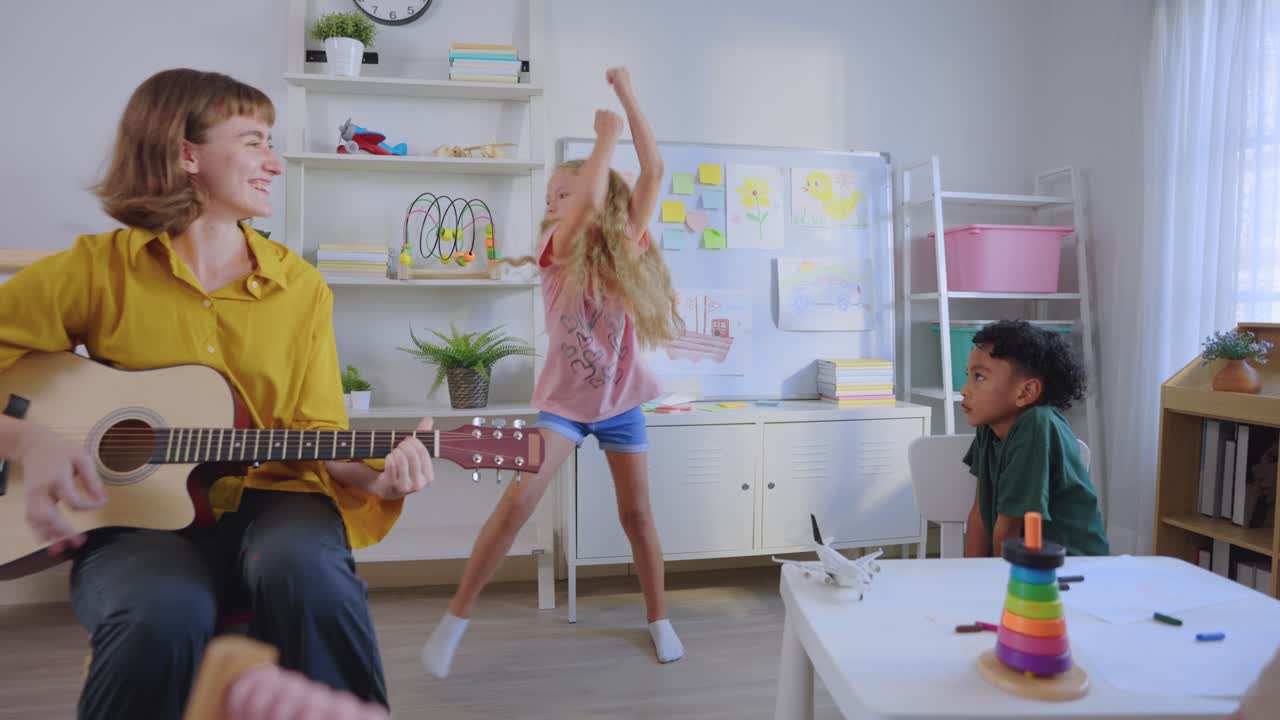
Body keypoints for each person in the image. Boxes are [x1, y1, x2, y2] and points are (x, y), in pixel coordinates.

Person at [0, 68, 435, 719]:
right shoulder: (96, 269)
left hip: (280, 498)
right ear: (187, 154)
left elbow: (318, 432)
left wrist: (378, 479)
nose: (275, 163)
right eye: (255, 142)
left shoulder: (301, 287)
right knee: (159, 611)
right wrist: (28, 440)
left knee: (306, 574)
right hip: (137, 516)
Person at [421, 66, 685, 678]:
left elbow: (652, 171)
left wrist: (626, 96)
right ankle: (455, 619)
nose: (554, 205)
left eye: (562, 195)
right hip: (564, 407)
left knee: (637, 517)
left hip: (621, 405)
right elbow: (588, 205)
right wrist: (603, 141)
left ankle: (659, 619)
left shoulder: (629, 243)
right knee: (519, 501)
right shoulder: (554, 252)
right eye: (549, 199)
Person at [960, 320, 1109, 557]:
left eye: (979, 377)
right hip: (1028, 563)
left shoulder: (1037, 426)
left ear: (1026, 392)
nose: (964, 389)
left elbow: (1009, 530)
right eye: (967, 375)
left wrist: (995, 577)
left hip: (1072, 566)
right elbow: (979, 513)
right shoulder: (989, 426)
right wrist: (971, 573)